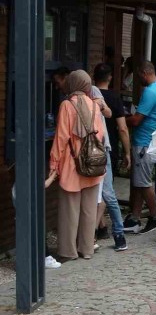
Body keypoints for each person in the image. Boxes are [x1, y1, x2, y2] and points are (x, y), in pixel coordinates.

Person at [48, 70, 106, 260]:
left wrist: (53, 165)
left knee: (69, 211)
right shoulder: (95, 106)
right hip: (93, 164)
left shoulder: (67, 105)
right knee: (89, 210)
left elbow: (61, 139)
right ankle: (86, 249)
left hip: (72, 164)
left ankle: (68, 251)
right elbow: (100, 136)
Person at [124, 62, 156, 234]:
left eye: (139, 76)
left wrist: (121, 119)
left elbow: (137, 120)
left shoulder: (150, 92)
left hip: (144, 142)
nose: (138, 79)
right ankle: (135, 218)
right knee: (139, 180)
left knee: (143, 183)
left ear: (145, 73)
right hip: (154, 140)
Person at [91, 66, 129, 251]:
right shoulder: (112, 97)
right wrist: (127, 151)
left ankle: (100, 231)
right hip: (105, 148)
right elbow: (122, 127)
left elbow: (109, 115)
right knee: (107, 193)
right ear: (110, 77)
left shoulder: (94, 96)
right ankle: (112, 233)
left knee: (100, 194)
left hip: (94, 150)